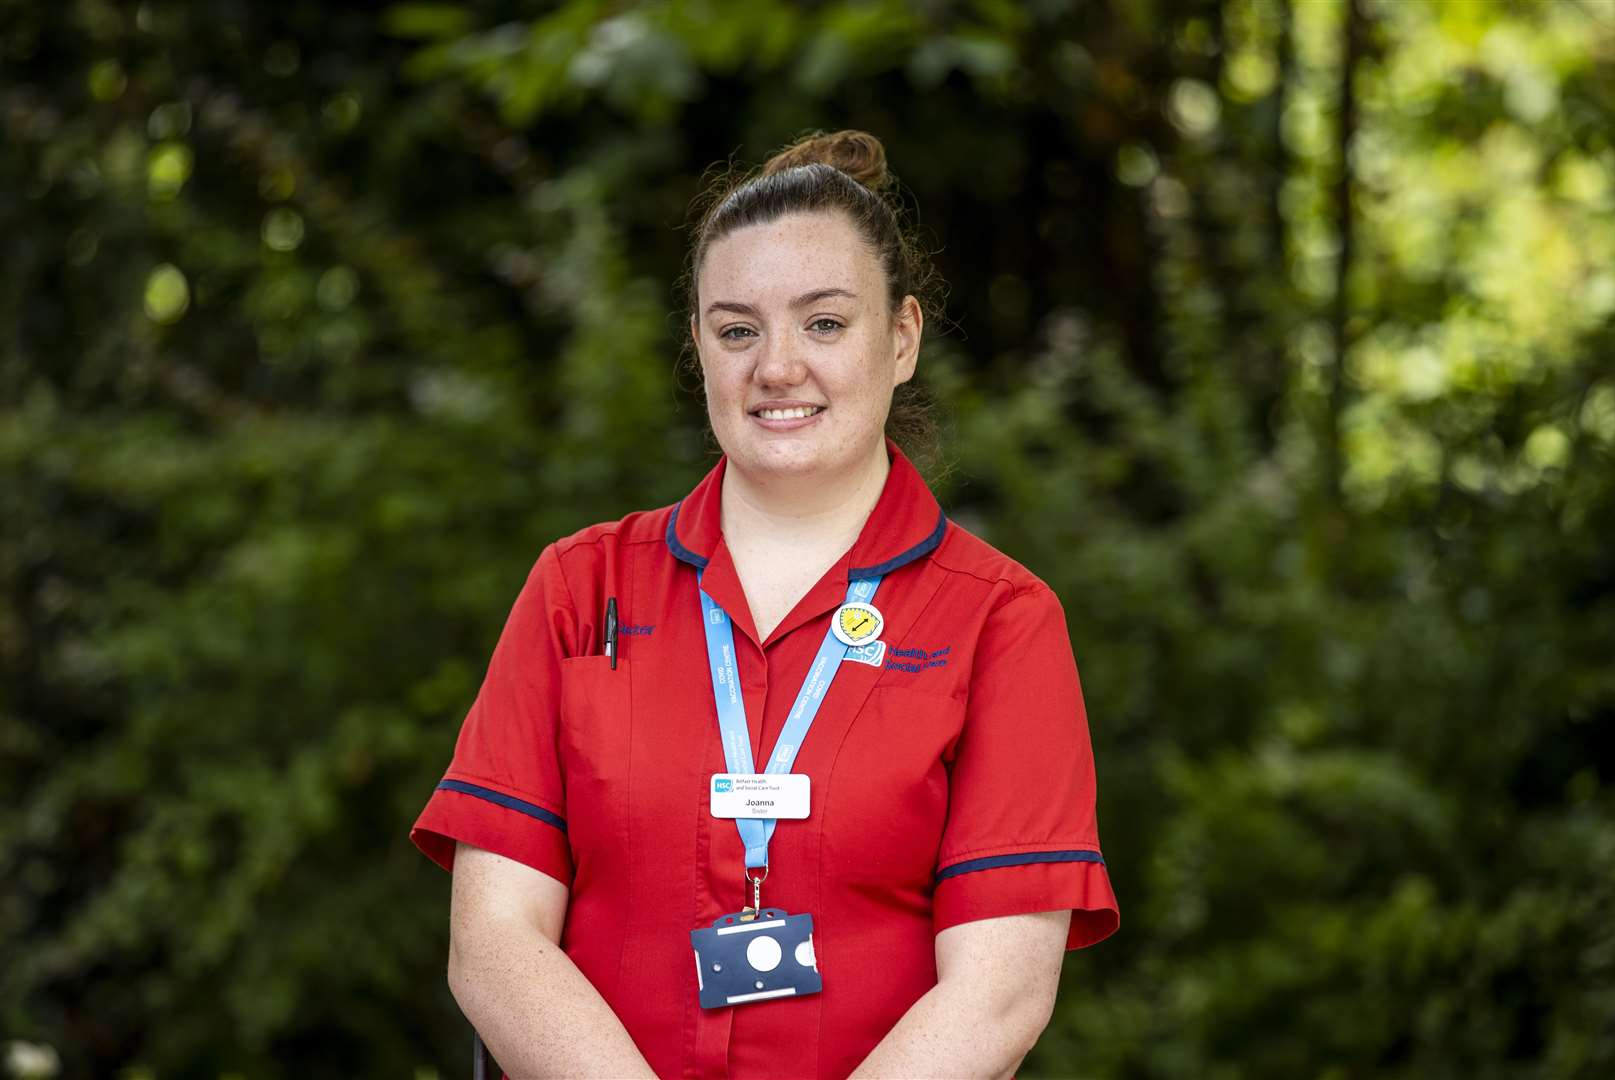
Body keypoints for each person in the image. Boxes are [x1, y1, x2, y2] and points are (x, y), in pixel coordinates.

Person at [410, 129, 1119, 1079]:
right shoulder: (581, 589)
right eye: (738, 329)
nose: (776, 366)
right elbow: (493, 944)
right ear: (698, 345)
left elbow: (999, 992)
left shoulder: (1001, 621)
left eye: (824, 324)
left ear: (901, 339)